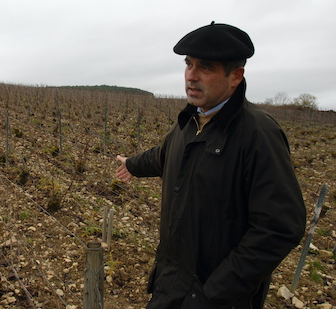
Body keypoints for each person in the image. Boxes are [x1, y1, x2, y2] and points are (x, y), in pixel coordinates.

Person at [116, 22, 306, 309]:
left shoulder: (257, 134)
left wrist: (213, 293)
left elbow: (280, 227)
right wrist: (131, 164)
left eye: (205, 67)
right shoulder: (189, 123)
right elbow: (164, 156)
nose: (191, 77)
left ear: (235, 76)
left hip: (216, 299)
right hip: (170, 286)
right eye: (188, 64)